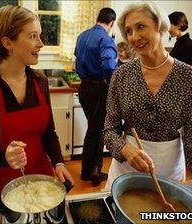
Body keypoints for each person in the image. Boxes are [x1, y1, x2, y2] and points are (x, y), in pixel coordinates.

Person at [103, 1, 192, 198]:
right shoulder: (121, 76)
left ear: (160, 26)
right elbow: (109, 130)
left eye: (140, 27)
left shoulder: (191, 79)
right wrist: (125, 148)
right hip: (125, 170)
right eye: (128, 31)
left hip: (169, 171)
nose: (134, 37)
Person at [0, 5, 74, 205]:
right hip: (3, 188)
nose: (40, 44)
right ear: (7, 42)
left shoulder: (40, 81)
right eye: (32, 36)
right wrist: (3, 157)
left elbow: (49, 132)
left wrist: (58, 162)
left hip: (43, 181)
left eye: (40, 36)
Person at [74, 7, 117, 186]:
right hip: (99, 89)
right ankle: (91, 171)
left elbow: (77, 60)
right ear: (111, 23)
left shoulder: (82, 36)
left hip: (84, 87)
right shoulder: (105, 39)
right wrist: (111, 83)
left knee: (95, 129)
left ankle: (91, 170)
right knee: (96, 131)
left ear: (98, 18)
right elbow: (108, 66)